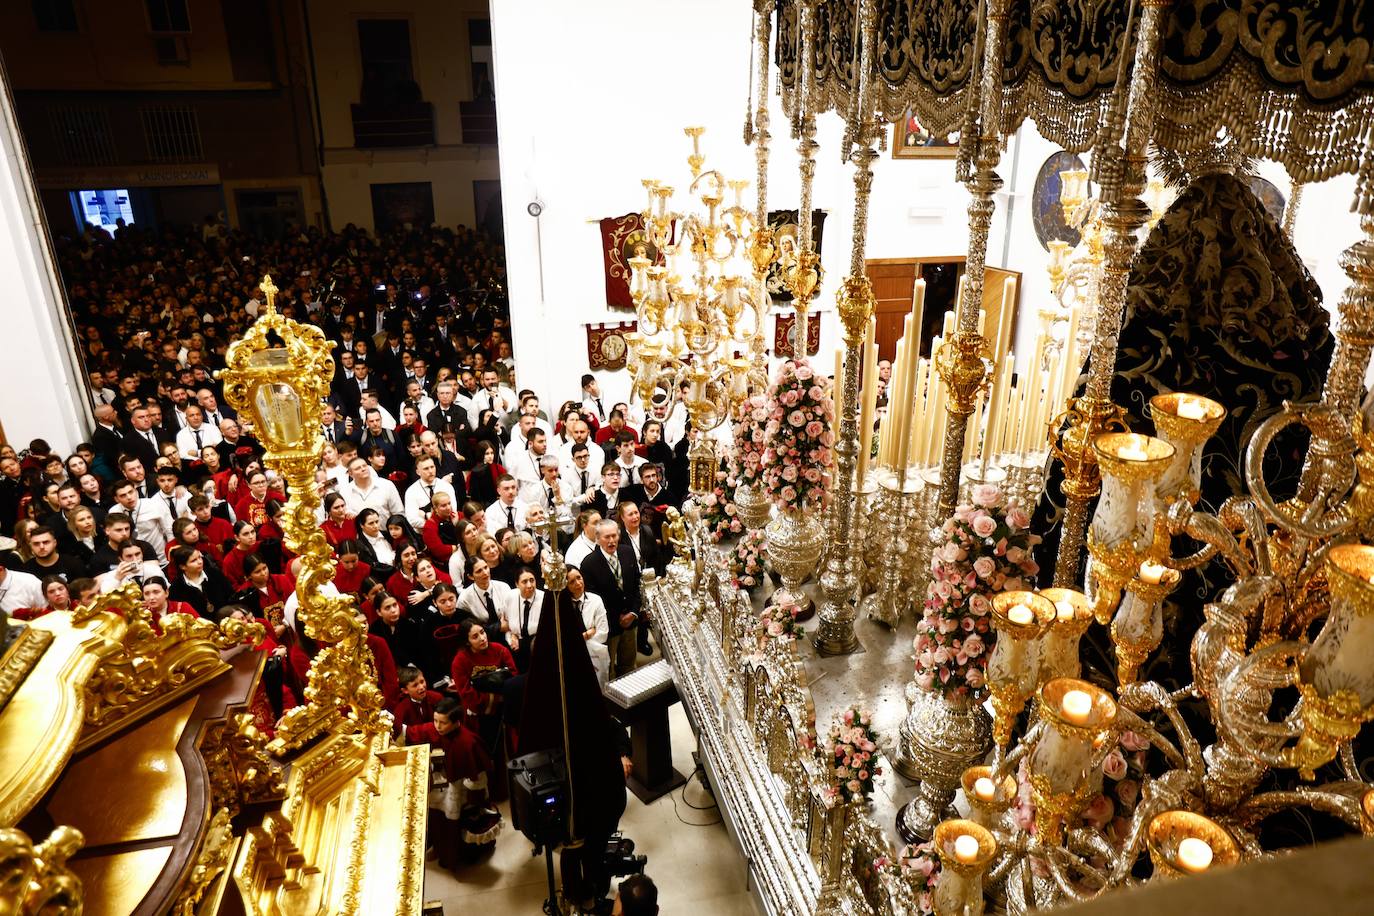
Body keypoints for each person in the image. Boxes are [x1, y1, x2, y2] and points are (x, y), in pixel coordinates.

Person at [403, 695, 499, 871]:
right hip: (438, 793)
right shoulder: (435, 729)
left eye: (443, 723)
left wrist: (475, 803)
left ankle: (457, 859)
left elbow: (477, 780)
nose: (437, 727)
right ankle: (440, 850)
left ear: (456, 722)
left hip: (460, 796)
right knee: (438, 824)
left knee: (457, 830)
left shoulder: (469, 743)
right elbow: (410, 732)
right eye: (435, 721)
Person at [580, 519, 642, 679]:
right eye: (607, 537)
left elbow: (637, 585)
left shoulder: (628, 552)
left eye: (614, 536)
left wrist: (634, 612)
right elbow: (592, 600)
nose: (611, 540)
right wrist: (617, 618)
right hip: (608, 626)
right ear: (598, 538)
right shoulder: (589, 564)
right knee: (608, 670)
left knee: (629, 666)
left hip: (631, 622)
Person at [566, 566, 610, 686]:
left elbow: (602, 633)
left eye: (579, 578)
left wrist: (579, 642)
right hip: (572, 657)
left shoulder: (595, 600)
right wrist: (586, 634)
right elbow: (566, 638)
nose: (578, 583)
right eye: (572, 582)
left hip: (595, 655)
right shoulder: (563, 607)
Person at [456, 555, 512, 643]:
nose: (485, 572)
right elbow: (467, 629)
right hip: (482, 639)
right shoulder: (464, 599)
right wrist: (498, 627)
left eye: (486, 567)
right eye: (479, 571)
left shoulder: (503, 587)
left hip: (508, 633)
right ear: (470, 576)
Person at [168, 546, 235, 617]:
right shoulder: (176, 588)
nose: (200, 562)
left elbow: (231, 596)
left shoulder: (214, 573)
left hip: (226, 617)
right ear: (182, 566)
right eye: (193, 561)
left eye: (199, 557)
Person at [369, 593, 426, 670]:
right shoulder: (374, 630)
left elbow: (420, 654)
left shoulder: (410, 626)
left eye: (395, 605)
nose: (393, 610)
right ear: (379, 612)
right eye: (387, 608)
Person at [502, 567, 543, 671]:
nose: (529, 585)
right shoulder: (510, 596)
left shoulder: (544, 598)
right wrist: (511, 637)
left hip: (537, 644)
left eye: (532, 580)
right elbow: (505, 622)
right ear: (517, 584)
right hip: (517, 646)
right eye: (524, 582)